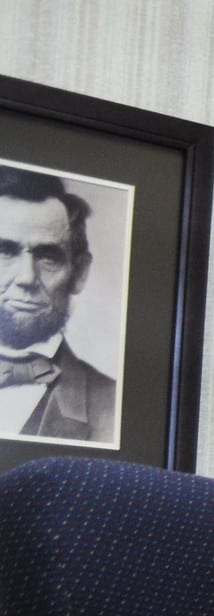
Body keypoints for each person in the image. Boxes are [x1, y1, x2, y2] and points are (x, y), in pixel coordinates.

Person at [0, 166, 116, 443]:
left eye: (48, 257)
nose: (27, 277)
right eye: (4, 251)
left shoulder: (113, 406)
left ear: (79, 273)